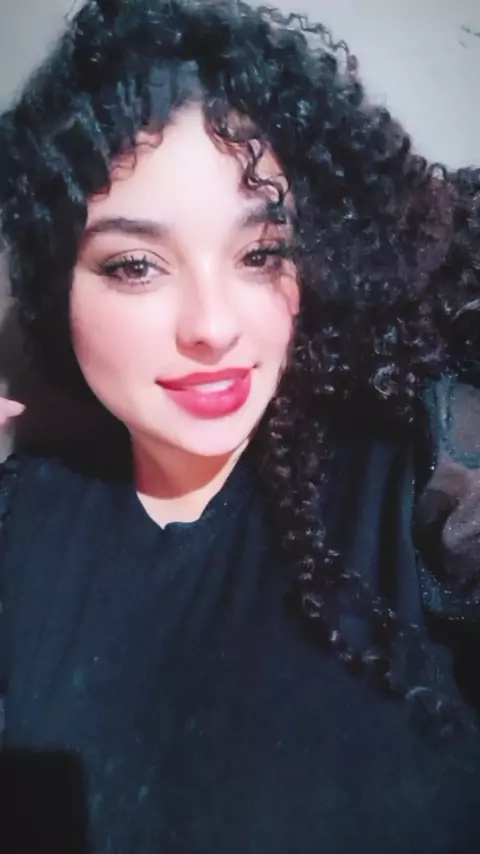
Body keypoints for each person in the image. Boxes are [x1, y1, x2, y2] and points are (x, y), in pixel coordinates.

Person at [0, 1, 479, 851]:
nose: (214, 327)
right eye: (136, 265)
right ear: (53, 285)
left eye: (260, 254)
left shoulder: (425, 476)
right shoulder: (23, 522)